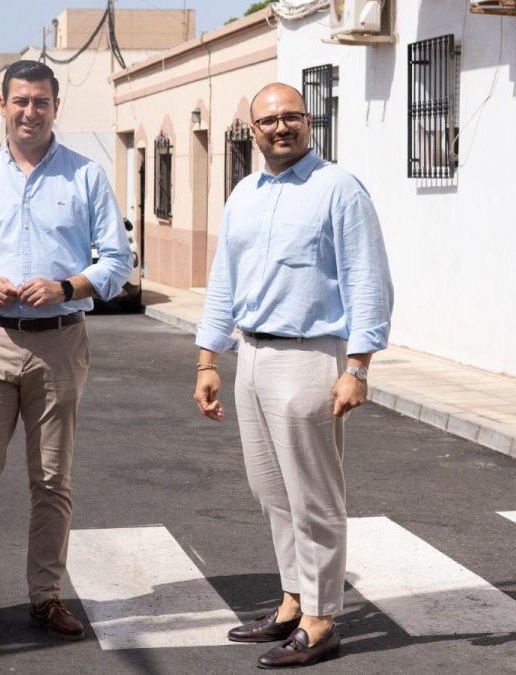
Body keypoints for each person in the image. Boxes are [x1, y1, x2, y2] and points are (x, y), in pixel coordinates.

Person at [193, 83, 393, 669]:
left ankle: (322, 618)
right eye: (268, 120)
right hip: (251, 357)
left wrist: (357, 366)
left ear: (309, 122)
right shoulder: (245, 193)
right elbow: (224, 279)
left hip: (310, 357)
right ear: (252, 131)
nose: (281, 128)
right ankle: (292, 601)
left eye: (291, 117)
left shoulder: (339, 189)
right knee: (271, 492)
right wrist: (209, 359)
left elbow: (367, 280)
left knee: (314, 497)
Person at [0, 59, 131, 642]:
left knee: (51, 479)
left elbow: (117, 262)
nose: (30, 111)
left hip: (61, 343)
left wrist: (67, 286)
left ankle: (45, 597)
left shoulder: (86, 177)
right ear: (2, 106)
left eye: (40, 102)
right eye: (20, 101)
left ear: (54, 106)